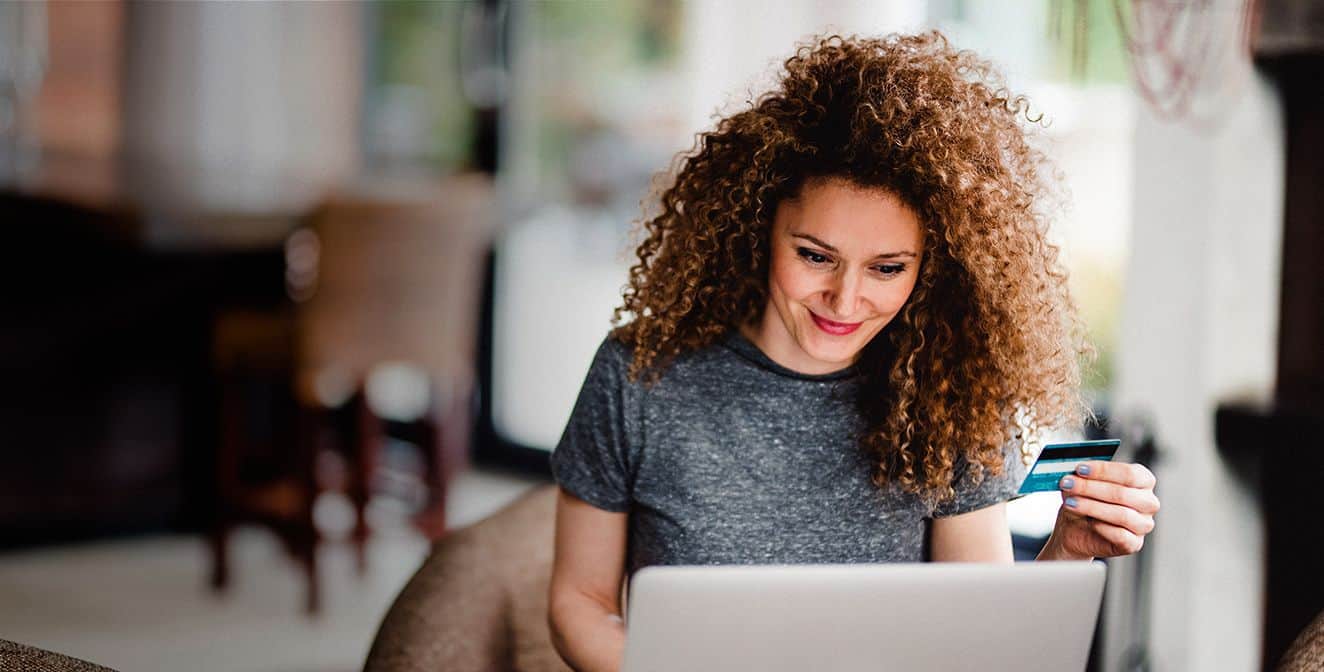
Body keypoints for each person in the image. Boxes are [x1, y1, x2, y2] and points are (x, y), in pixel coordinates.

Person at [546, 32, 1160, 672]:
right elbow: (580, 602)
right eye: (815, 256)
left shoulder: (952, 396)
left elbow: (982, 647)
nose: (845, 300)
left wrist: (1067, 549)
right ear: (759, 229)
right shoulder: (640, 373)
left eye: (887, 268)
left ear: (931, 269)